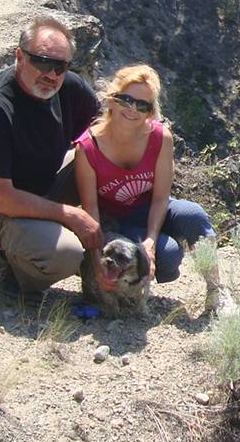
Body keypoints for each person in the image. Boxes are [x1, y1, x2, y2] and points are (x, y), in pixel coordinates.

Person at [0, 15, 101, 295]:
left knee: (101, 154)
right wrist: (70, 215)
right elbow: (0, 197)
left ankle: (104, 245)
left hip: (41, 188)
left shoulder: (68, 87)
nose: (51, 74)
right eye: (42, 61)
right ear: (20, 57)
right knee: (66, 254)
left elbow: (104, 131)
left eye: (60, 66)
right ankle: (12, 267)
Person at [73, 63, 213, 284]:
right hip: (115, 221)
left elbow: (160, 198)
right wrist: (96, 261)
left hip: (152, 208)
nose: (132, 110)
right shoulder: (88, 148)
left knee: (194, 215)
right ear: (111, 99)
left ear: (151, 111)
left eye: (142, 105)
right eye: (126, 100)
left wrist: (150, 241)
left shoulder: (160, 138)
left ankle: (217, 290)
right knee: (169, 254)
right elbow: (91, 212)